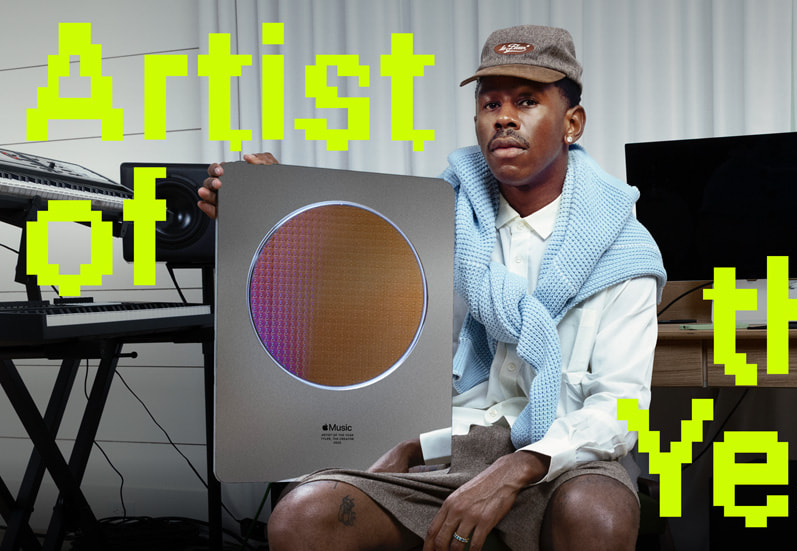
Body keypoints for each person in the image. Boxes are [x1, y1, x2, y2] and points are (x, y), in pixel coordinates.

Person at [198, 24, 666, 551]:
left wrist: (516, 468)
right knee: (302, 518)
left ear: (571, 123)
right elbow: (349, 287)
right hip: (444, 447)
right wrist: (274, 207)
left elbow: (622, 408)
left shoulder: (623, 249)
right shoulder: (429, 222)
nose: (505, 117)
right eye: (491, 104)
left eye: (528, 101)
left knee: (596, 516)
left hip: (564, 457)